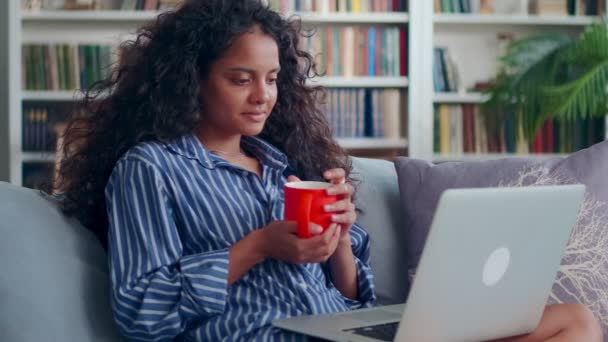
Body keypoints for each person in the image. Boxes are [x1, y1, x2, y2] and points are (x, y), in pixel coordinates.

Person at [55, 1, 602, 341]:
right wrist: (258, 247)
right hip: (258, 335)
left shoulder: (281, 164)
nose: (263, 96)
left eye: (272, 79)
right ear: (190, 81)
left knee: (576, 323)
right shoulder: (151, 169)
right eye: (240, 78)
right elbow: (141, 314)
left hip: (339, 329)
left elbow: (351, 295)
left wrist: (338, 241)